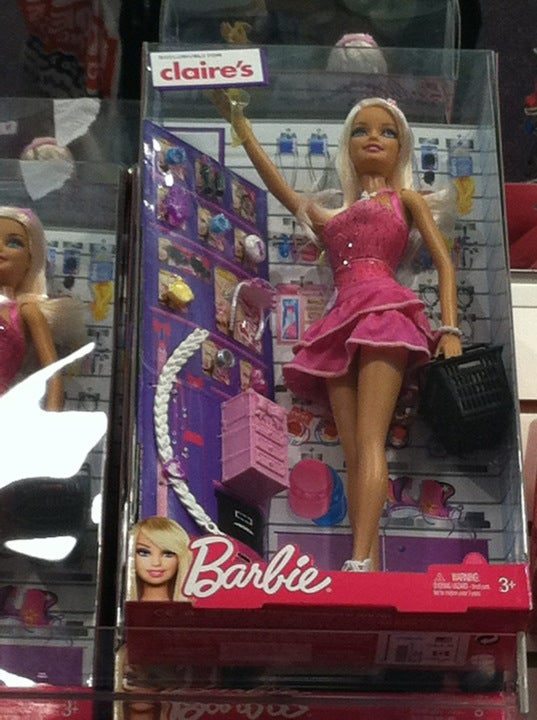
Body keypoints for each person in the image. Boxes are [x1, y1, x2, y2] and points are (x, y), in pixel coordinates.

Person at [210, 93, 463, 572]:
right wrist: (241, 124)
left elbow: (445, 264)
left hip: (385, 311)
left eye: (387, 131)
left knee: (370, 441)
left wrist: (449, 328)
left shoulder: (406, 200)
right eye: (361, 130)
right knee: (353, 450)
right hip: (340, 319)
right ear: (347, 145)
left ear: (402, 147)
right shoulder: (333, 215)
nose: (373, 138)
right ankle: (364, 562)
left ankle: (361, 560)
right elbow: (280, 186)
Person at [0, 206, 85, 410]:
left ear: (30, 260)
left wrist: (50, 421)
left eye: (14, 243)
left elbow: (53, 374)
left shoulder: (26, 312)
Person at [129, 516, 192, 601]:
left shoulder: (193, 608)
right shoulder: (116, 605)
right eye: (144, 553)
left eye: (168, 554)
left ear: (180, 558)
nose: (156, 563)